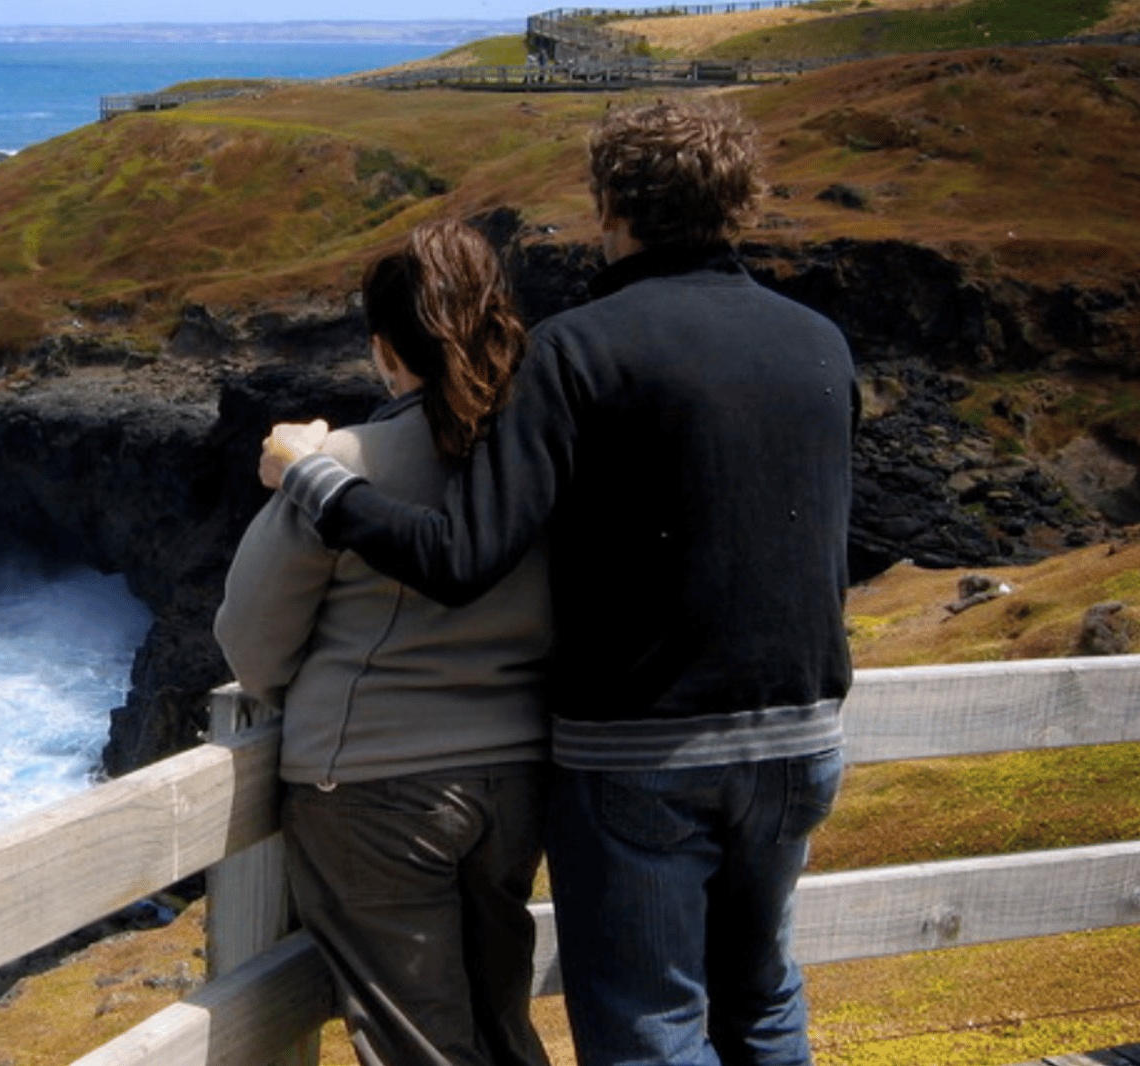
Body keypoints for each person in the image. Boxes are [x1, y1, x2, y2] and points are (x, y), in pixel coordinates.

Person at [260, 98, 857, 1066]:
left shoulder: (577, 350)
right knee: (760, 996)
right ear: (740, 200)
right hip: (802, 734)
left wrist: (313, 478)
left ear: (609, 203)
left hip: (643, 747)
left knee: (651, 1028)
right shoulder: (818, 342)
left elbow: (461, 556)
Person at [217, 217, 553, 1066]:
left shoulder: (341, 464)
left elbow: (251, 643)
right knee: (502, 1024)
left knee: (421, 1045)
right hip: (517, 780)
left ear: (384, 349)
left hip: (372, 789)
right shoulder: (538, 459)